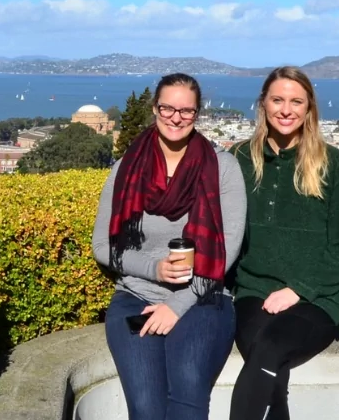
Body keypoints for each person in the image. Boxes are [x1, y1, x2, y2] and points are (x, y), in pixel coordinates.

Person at [92, 72, 247, 420]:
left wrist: (176, 305)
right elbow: (102, 245)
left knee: (188, 395)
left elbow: (225, 253)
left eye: (186, 110)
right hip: (136, 296)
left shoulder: (222, 168)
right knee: (146, 408)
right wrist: (155, 269)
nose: (176, 118)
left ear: (197, 113)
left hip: (203, 297)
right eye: (168, 108)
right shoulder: (126, 169)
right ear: (155, 108)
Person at [227, 66, 339, 420]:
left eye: (296, 102)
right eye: (277, 100)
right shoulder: (240, 159)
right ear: (263, 104)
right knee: (264, 355)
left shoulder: (332, 163)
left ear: (309, 108)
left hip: (320, 295)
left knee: (270, 348)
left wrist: (298, 290)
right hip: (254, 289)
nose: (286, 110)